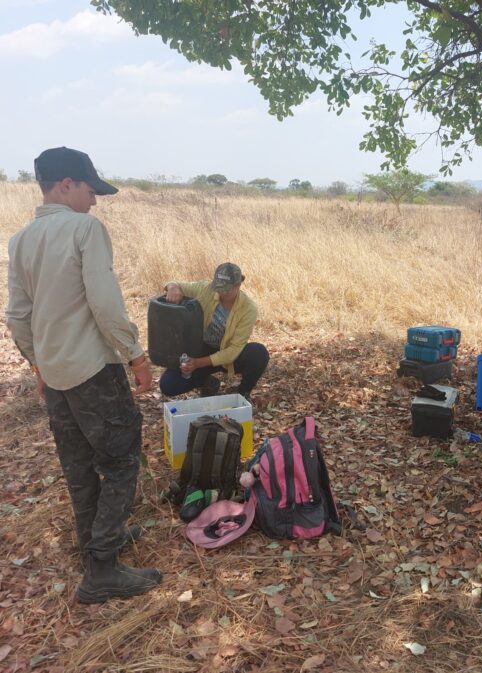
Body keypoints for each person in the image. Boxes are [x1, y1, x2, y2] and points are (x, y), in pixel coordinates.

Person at [5, 147, 162, 603]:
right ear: (66, 184)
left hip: (54, 375)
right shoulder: (85, 229)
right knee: (120, 460)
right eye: (91, 190)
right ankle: (102, 570)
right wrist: (135, 354)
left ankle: (94, 543)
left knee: (78, 467)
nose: (95, 201)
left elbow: (17, 315)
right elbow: (105, 302)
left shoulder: (20, 240)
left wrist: (38, 364)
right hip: (93, 370)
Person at [159, 263, 269, 401]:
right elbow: (175, 283)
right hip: (200, 349)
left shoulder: (248, 309)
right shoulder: (206, 288)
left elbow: (234, 349)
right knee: (168, 385)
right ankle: (206, 382)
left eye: (226, 289)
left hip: (228, 356)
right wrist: (173, 288)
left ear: (238, 284)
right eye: (219, 287)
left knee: (258, 353)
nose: (222, 292)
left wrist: (198, 363)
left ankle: (242, 394)